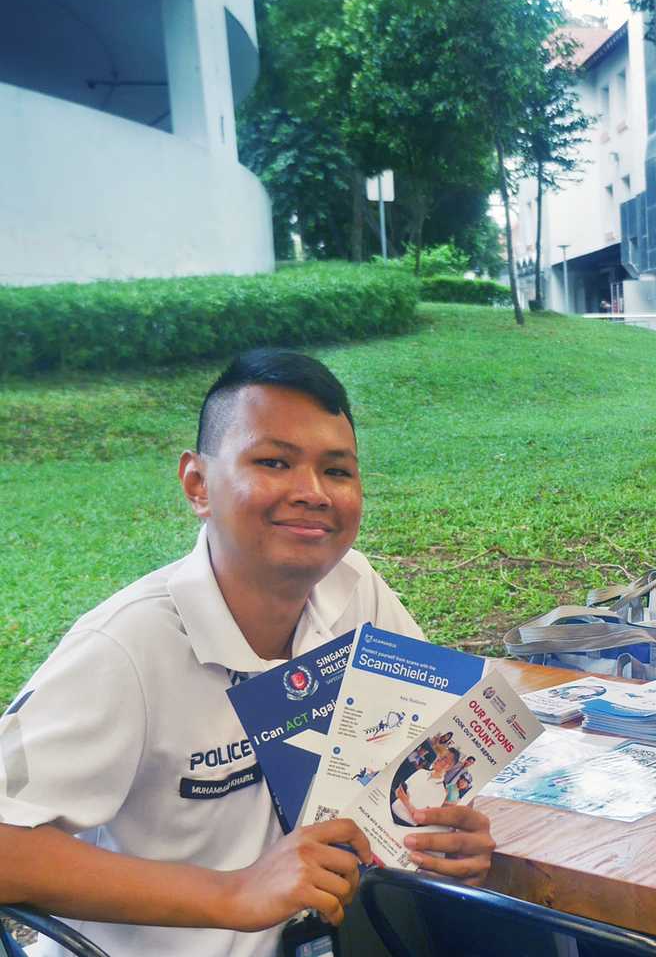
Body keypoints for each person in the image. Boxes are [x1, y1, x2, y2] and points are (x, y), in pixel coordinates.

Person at [0, 349, 496, 957]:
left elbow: (429, 746)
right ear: (198, 485)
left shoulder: (353, 590)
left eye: (337, 471)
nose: (313, 492)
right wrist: (234, 892)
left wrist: (448, 834)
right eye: (274, 462)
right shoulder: (126, 648)